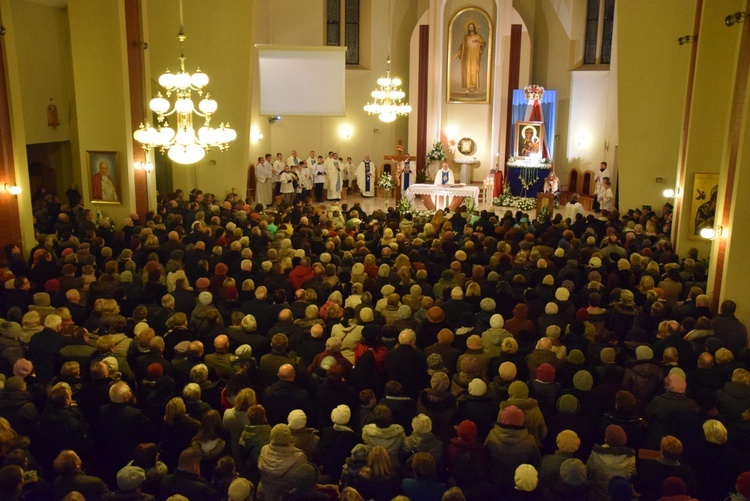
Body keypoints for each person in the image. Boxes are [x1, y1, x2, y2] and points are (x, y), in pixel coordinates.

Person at [453, 22, 486, 93]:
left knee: (474, 71)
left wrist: (478, 41)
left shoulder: (478, 36)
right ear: (468, 28)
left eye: (472, 27)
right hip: (468, 57)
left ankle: (475, 88)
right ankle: (468, 88)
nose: (471, 28)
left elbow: (483, 43)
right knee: (468, 71)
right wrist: (456, 54)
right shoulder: (466, 37)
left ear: (474, 27)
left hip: (475, 57)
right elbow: (462, 46)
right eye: (470, 27)